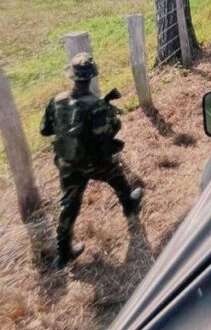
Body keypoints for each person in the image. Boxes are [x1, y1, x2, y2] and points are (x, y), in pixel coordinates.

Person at [41, 53, 143, 269]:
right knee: (116, 176)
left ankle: (63, 253)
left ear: (72, 76)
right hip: (94, 162)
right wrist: (110, 116)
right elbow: (107, 132)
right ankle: (129, 204)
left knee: (68, 204)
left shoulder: (57, 101)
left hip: (68, 163)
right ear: (91, 77)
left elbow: (45, 130)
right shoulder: (95, 105)